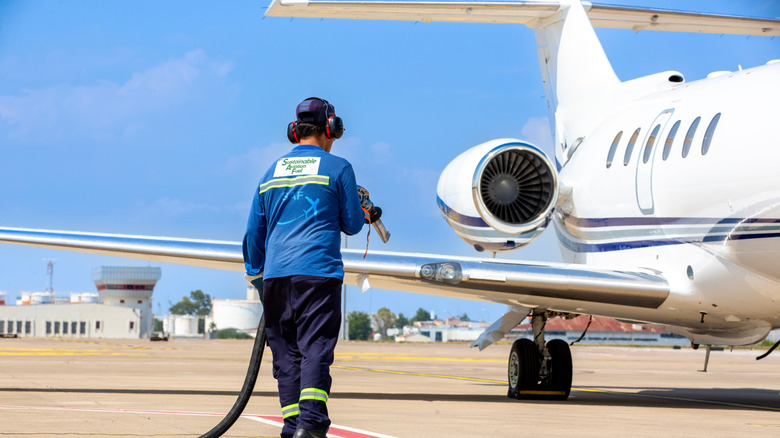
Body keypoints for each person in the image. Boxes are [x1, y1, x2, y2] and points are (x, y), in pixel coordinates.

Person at [243, 97, 367, 438]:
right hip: (318, 273)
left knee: (286, 356)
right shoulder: (338, 167)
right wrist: (359, 206)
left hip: (275, 277)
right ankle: (310, 427)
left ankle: (292, 425)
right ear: (330, 129)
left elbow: (255, 231)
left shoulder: (271, 172)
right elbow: (353, 224)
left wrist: (257, 276)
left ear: (294, 132)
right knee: (315, 350)